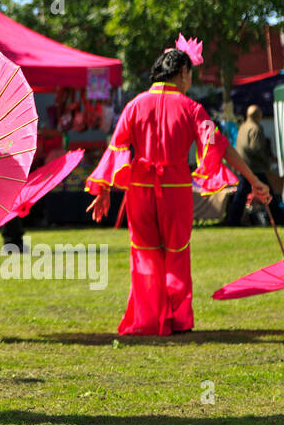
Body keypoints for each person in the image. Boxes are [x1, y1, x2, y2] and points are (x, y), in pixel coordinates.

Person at [86, 36, 272, 336]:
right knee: (176, 253)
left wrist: (104, 190)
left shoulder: (134, 105)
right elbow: (219, 146)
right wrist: (253, 180)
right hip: (174, 189)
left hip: (140, 189)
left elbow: (115, 148)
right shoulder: (191, 107)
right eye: (190, 75)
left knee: (145, 253)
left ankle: (146, 321)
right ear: (183, 72)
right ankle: (177, 320)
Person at [227, 105, 276, 226]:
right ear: (258, 116)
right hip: (254, 167)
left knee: (241, 195)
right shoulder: (255, 128)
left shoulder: (242, 127)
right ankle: (278, 218)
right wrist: (267, 161)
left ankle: (233, 220)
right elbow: (257, 149)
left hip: (243, 165)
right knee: (267, 193)